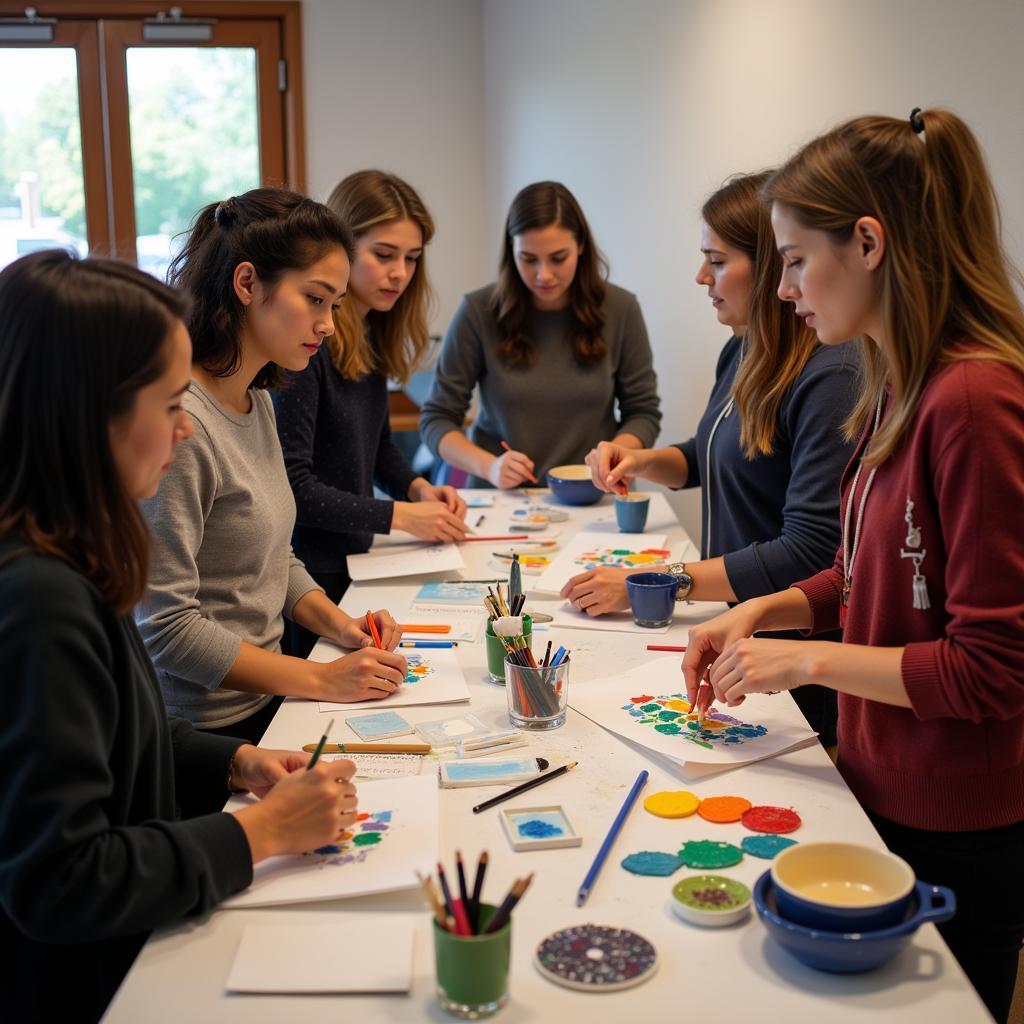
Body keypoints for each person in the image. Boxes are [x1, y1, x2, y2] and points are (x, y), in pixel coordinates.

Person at [682, 110, 1024, 1022]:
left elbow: (991, 668)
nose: (786, 289)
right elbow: (865, 571)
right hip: (876, 781)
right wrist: (769, 610)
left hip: (958, 821)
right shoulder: (891, 382)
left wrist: (807, 660)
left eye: (795, 260)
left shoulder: (976, 399)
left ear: (868, 242)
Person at [0, 251, 362, 1022]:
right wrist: (260, 834)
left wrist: (233, 760)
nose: (183, 426)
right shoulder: (37, 599)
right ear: (88, 413)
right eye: (168, 402)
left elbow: (121, 736)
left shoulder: (74, 556)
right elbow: (58, 880)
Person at [563, 172, 860, 745]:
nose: (702, 277)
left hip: (788, 661)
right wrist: (644, 459)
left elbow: (809, 550)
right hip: (736, 636)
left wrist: (660, 582)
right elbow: (718, 453)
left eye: (717, 261)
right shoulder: (743, 347)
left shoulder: (832, 375)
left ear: (773, 265)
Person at [137, 189, 406, 745]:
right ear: (246, 285)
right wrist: (320, 678)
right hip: (204, 733)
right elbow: (165, 627)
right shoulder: (182, 422)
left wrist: (340, 625)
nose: (329, 323)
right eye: (314, 299)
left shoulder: (255, 398)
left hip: (267, 704)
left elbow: (273, 557)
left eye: (333, 304)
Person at [274, 171, 467, 657]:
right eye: (384, 255)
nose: (400, 272)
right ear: (341, 249)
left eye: (412, 258)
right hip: (310, 576)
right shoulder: (308, 345)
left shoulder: (371, 332)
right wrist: (404, 515)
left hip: (354, 559)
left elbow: (377, 446)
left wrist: (417, 488)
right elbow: (293, 484)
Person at [418, 180, 662, 487]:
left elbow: (643, 413)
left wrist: (613, 457)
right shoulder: (477, 312)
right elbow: (436, 420)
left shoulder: (621, 310)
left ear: (581, 246)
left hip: (594, 494)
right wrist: (490, 467)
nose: (543, 274)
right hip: (502, 500)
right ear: (511, 251)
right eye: (528, 259)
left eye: (558, 258)